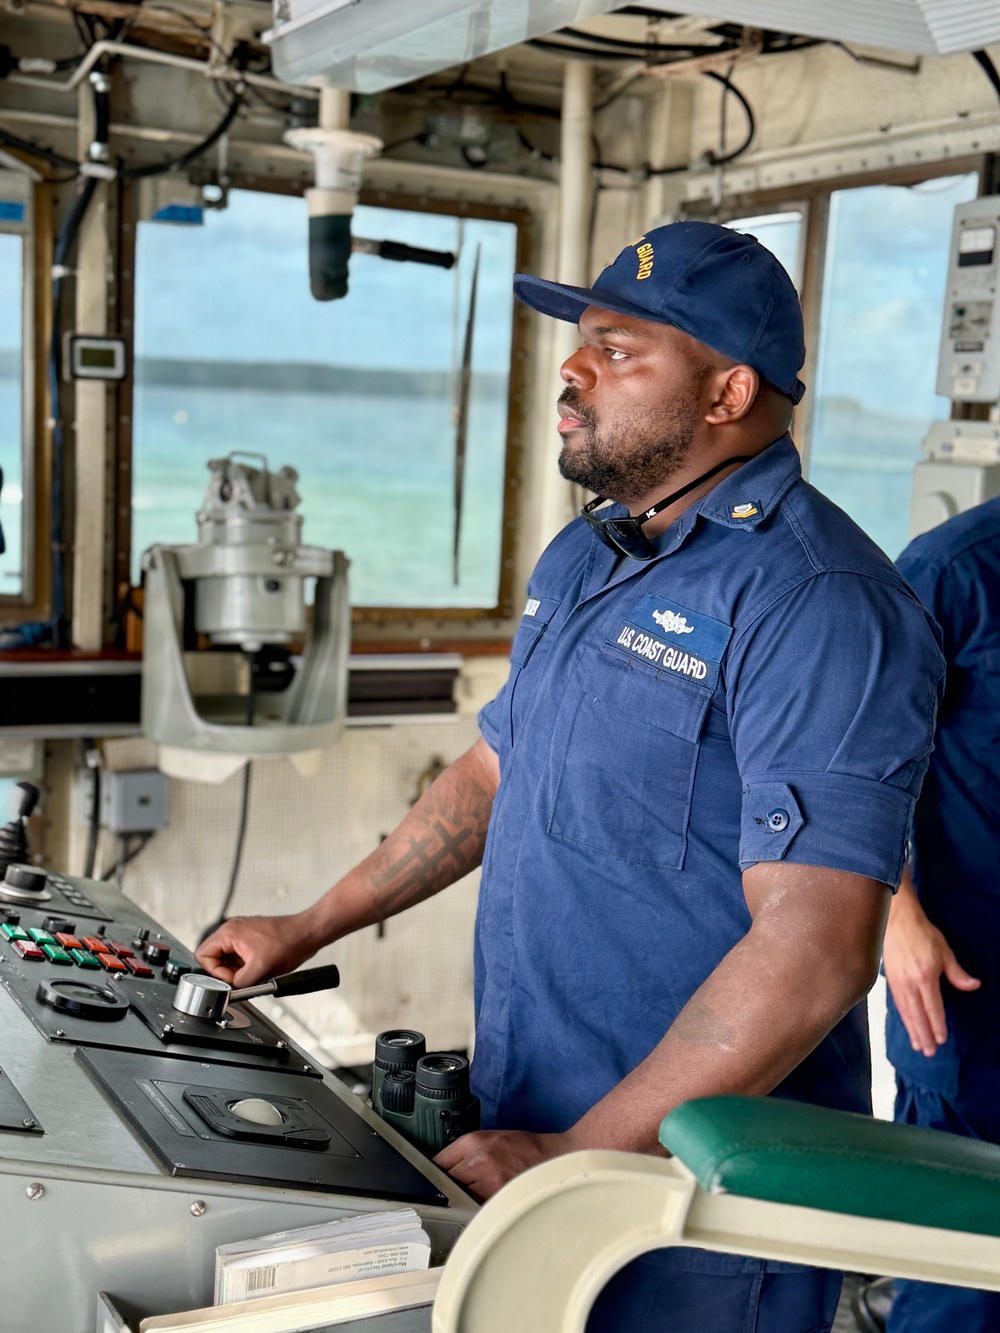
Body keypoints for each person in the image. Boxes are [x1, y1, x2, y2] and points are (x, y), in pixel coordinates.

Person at [196, 221, 945, 1333]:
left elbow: (815, 951)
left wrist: (581, 1157)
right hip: (533, 1114)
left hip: (687, 1198)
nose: (574, 368)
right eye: (582, 340)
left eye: (619, 350)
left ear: (729, 391)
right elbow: (495, 770)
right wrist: (310, 925)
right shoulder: (590, 553)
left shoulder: (821, 604)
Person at [880, 496, 1000, 1333]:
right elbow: (845, 755)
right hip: (972, 986)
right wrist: (895, 915)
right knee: (959, 1281)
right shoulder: (954, 569)